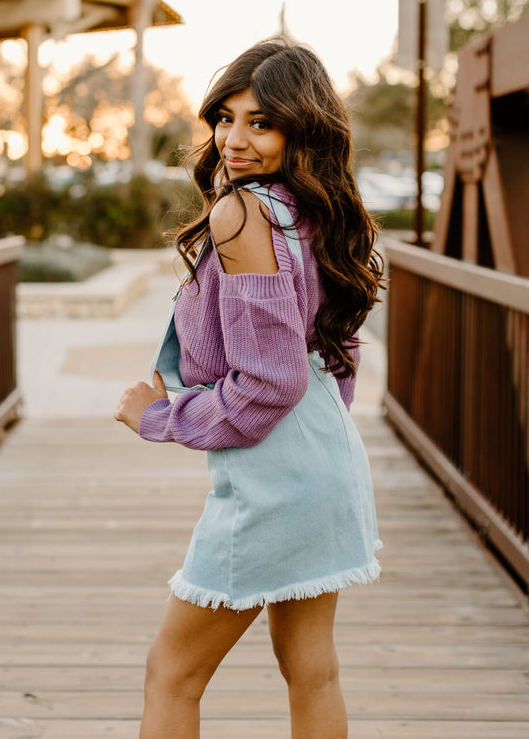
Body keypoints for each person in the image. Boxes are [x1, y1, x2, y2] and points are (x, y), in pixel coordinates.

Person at [114, 37, 384, 739]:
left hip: (275, 483)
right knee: (312, 668)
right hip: (328, 465)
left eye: (260, 122)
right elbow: (336, 356)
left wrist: (160, 417)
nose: (233, 139)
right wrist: (312, 447)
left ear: (301, 127)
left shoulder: (243, 214)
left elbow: (269, 383)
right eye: (225, 118)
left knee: (171, 673)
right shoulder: (312, 210)